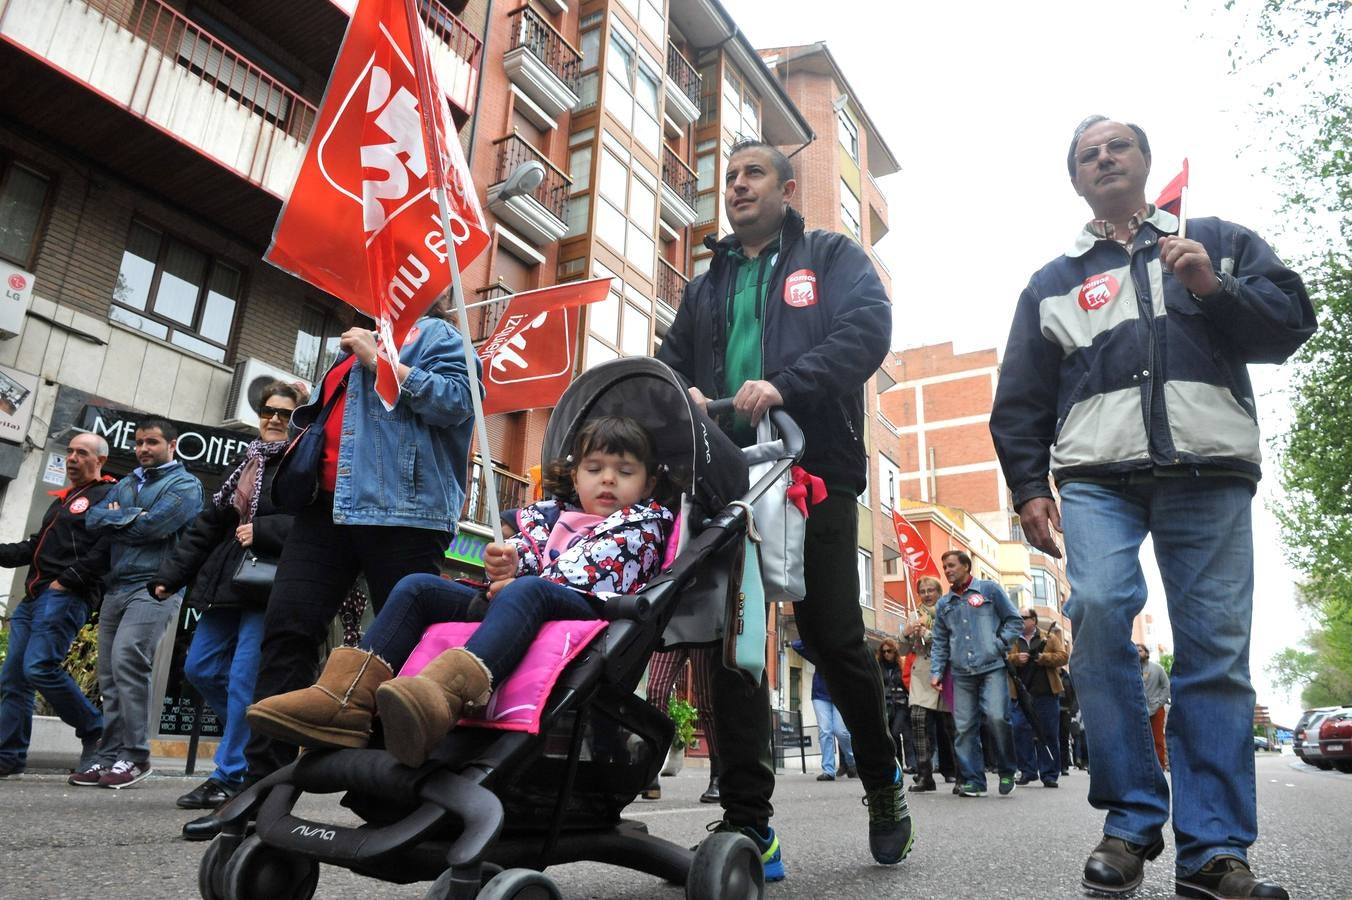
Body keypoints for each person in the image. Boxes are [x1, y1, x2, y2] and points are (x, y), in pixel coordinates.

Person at [989, 115, 1314, 899]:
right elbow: (1021, 396)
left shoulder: (1217, 239)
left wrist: (1212, 284)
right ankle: (1131, 822)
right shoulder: (1052, 281)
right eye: (1087, 154)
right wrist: (1031, 487)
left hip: (1211, 470)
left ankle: (1213, 851)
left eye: (1117, 147)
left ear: (1144, 161)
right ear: (1076, 180)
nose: (1104, 158)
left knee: (1214, 653)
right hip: (1098, 476)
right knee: (1098, 611)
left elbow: (1291, 324)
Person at [656, 138, 907, 877]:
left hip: (813, 469)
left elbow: (866, 331)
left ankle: (884, 783)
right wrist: (684, 397)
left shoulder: (830, 258)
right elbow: (671, 365)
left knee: (831, 637)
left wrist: (787, 382)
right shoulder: (706, 285)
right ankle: (749, 823)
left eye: (752, 173)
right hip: (725, 478)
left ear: (787, 188)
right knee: (731, 643)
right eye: (729, 176)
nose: (736, 185)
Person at [247, 416, 674, 769]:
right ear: (576, 474)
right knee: (418, 587)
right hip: (525, 600)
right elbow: (525, 557)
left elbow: (590, 569)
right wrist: (507, 563)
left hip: (589, 613)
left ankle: (444, 694)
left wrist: (521, 579)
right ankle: (347, 696)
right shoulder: (550, 516)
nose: (608, 481)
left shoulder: (645, 523)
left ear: (648, 483)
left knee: (527, 590)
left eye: (624, 471)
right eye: (595, 468)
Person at [240, 314, 476, 780]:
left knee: (410, 652)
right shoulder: (353, 340)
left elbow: (459, 401)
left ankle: (403, 784)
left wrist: (378, 360)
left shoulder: (437, 334)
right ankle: (260, 787)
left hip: (403, 514)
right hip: (323, 512)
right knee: (287, 631)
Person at [149, 381, 305, 821]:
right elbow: (207, 525)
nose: (273, 419)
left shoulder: (304, 462)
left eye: (284, 413)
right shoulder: (245, 462)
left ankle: (231, 774)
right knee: (200, 668)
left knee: (243, 680)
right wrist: (170, 576)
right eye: (267, 411)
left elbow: (318, 524)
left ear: (298, 419)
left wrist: (267, 530)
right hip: (227, 580)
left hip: (271, 582)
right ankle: (259, 739)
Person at [72, 418, 204, 789]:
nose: (143, 449)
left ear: (171, 445)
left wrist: (118, 515)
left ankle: (135, 756)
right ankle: (108, 756)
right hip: (116, 587)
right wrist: (127, 517)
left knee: (130, 660)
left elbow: (154, 528)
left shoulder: (185, 485)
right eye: (138, 442)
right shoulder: (130, 481)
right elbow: (93, 519)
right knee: (111, 674)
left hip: (154, 587)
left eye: (152, 442)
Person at [0, 432, 117, 777]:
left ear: (101, 461)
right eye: (69, 452)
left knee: (38, 667)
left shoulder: (109, 493)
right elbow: (32, 547)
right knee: (14, 679)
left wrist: (67, 580)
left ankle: (94, 727)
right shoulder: (63, 500)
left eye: (82, 453)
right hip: (35, 597)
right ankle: (8, 756)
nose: (72, 458)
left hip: (65, 595)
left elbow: (108, 546)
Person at [929, 550, 1020, 798]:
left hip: (992, 667)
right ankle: (974, 780)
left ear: (966, 566)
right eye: (944, 567)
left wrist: (998, 645)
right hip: (961, 672)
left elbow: (1014, 621)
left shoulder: (989, 590)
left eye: (951, 566)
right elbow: (940, 641)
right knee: (963, 727)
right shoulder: (944, 605)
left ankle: (1007, 770)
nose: (947, 571)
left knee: (997, 717)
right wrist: (936, 671)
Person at [642, 646, 722, 803]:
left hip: (702, 630)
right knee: (655, 693)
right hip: (671, 626)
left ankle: (718, 776)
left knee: (706, 703)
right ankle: (650, 774)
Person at [901, 575, 957, 793]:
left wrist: (929, 634)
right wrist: (906, 635)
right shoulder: (914, 616)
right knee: (918, 723)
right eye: (922, 591)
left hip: (945, 674)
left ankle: (962, 774)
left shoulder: (948, 612)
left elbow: (953, 641)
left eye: (930, 590)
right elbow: (903, 651)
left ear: (939, 592)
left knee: (951, 728)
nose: (926, 595)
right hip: (921, 677)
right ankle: (925, 776)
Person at [1008, 610, 1068, 788]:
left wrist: (1044, 658)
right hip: (1021, 693)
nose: (1020, 621)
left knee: (1048, 733)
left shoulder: (1048, 638)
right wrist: (1016, 658)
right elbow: (1004, 658)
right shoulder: (1013, 639)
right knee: (1019, 730)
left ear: (1033, 620)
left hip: (1046, 694)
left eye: (1023, 618)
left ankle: (1049, 774)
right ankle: (1028, 771)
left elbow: (1063, 656)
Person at [791, 639, 856, 782]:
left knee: (841, 731)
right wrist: (816, 635)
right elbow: (795, 644)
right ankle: (828, 770)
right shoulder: (818, 650)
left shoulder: (844, 648)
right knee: (825, 730)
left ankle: (854, 763)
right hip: (820, 694)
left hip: (841, 693)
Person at [876, 639, 915, 774]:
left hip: (901, 703)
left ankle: (911, 764)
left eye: (889, 651)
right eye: (884, 651)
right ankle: (897, 762)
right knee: (892, 735)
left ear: (895, 651)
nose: (887, 654)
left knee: (898, 732)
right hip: (886, 704)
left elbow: (907, 681)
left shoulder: (901, 665)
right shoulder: (879, 667)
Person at [1139, 643, 1171, 771]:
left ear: (1146, 653)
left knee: (1157, 738)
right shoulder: (1132, 670)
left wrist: (1159, 702)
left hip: (1156, 709)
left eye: (1140, 650)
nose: (1137, 653)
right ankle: (1145, 766)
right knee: (1142, 739)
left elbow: (1166, 687)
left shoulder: (1157, 669)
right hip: (1139, 709)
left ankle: (1160, 765)